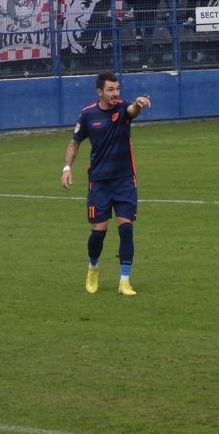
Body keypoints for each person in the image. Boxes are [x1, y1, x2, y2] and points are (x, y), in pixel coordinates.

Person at [60, 71, 151, 296]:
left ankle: (124, 281)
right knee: (98, 234)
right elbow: (74, 143)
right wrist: (67, 168)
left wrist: (138, 104)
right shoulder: (88, 115)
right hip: (99, 183)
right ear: (99, 92)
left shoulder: (124, 109)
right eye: (110, 90)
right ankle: (93, 268)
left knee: (126, 229)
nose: (115, 93)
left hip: (125, 180)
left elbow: (133, 111)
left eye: (117, 89)